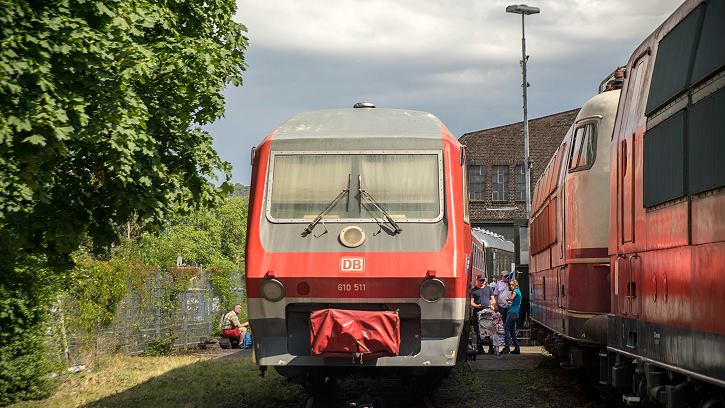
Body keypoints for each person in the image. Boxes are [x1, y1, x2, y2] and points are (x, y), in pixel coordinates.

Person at [470, 275, 495, 354]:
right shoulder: (473, 290)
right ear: (477, 280)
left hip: (487, 312)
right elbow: (471, 302)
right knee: (478, 330)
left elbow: (493, 299)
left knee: (489, 329)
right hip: (477, 313)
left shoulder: (489, 288)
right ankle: (480, 348)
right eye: (481, 280)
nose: (482, 282)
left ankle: (491, 347)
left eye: (483, 280)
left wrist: (492, 304)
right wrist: (477, 306)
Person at [493, 271, 512, 352]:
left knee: (508, 327)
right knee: (504, 326)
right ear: (502, 277)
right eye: (505, 276)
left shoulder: (511, 283)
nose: (506, 277)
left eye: (507, 276)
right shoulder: (498, 284)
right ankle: (507, 345)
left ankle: (507, 346)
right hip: (501, 307)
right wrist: (496, 305)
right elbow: (496, 294)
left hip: (510, 307)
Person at [504, 279, 523, 355]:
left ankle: (506, 347)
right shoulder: (518, 291)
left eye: (512, 284)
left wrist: (508, 299)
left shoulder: (515, 291)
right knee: (512, 332)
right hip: (515, 313)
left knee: (506, 329)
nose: (511, 286)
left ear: (515, 284)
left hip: (512, 313)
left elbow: (512, 298)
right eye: (510, 285)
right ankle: (517, 348)